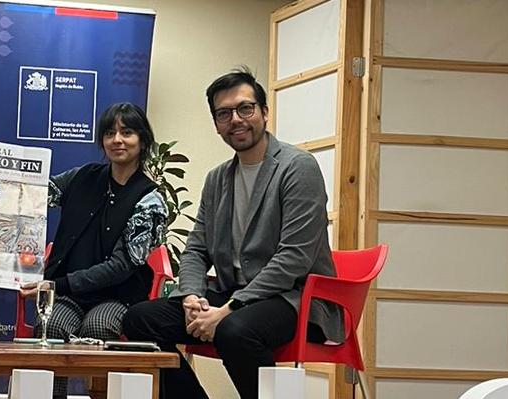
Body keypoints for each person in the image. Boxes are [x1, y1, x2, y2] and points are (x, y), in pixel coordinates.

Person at [121, 68, 343, 399]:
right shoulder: (217, 179)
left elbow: (294, 258)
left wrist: (228, 310)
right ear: (216, 124)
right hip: (233, 294)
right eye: (224, 114)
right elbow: (196, 250)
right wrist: (191, 298)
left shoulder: (298, 167)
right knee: (139, 320)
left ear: (264, 112)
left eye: (245, 108)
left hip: (294, 298)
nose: (235, 120)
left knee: (234, 331)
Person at [0, 102, 167, 399]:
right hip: (66, 294)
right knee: (51, 328)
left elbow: (121, 267)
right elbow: (22, 195)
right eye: (109, 133)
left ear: (143, 140)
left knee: (98, 327)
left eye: (127, 132)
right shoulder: (82, 177)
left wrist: (56, 284)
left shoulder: (150, 201)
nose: (117, 140)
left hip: (117, 297)